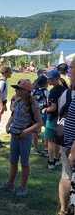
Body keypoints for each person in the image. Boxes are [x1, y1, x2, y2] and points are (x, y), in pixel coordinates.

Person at [2, 79, 42, 196]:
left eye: (19, 89)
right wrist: (8, 124)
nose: (16, 90)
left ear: (26, 91)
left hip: (25, 137)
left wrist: (26, 131)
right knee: (13, 161)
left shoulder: (32, 103)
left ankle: (23, 187)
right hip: (14, 135)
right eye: (16, 88)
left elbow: (39, 123)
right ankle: (10, 184)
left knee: (24, 163)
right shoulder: (18, 100)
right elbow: (13, 115)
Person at [59, 59, 75, 215]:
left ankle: (66, 210)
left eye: (71, 68)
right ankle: (65, 209)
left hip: (72, 146)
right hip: (68, 142)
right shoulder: (69, 92)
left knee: (66, 177)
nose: (69, 73)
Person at [44, 69, 67, 169]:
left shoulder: (53, 91)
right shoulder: (64, 89)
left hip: (53, 118)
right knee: (58, 140)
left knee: (50, 141)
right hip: (62, 117)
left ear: (55, 79)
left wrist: (45, 109)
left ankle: (51, 162)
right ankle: (57, 160)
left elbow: (53, 107)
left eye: (50, 79)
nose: (48, 81)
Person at [31, 75, 49, 154]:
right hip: (44, 113)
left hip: (35, 113)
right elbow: (49, 102)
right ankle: (45, 148)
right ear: (46, 83)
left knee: (35, 131)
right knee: (46, 130)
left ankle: (35, 148)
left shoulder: (34, 91)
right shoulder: (46, 91)